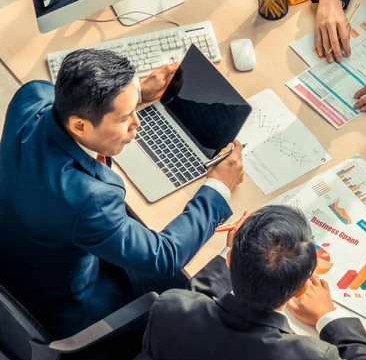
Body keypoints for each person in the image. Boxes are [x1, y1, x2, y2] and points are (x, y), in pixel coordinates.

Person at [0, 49, 244, 338]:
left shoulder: (33, 96)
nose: (137, 123)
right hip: (66, 304)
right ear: (80, 125)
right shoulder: (87, 200)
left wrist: (137, 91)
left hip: (20, 248)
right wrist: (218, 187)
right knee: (186, 288)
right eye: (125, 117)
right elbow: (164, 256)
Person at [142, 205, 366, 360]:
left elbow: (197, 302)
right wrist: (328, 318)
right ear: (301, 289)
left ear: (230, 259)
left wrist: (234, 249)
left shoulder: (171, 307)